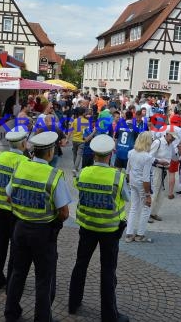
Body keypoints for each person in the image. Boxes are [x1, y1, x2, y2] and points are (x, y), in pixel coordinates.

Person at [4, 131, 71, 322]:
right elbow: (64, 213)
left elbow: (9, 197)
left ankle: (11, 312)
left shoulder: (20, 168)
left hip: (20, 227)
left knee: (18, 272)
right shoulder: (54, 175)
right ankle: (42, 318)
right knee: (43, 278)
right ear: (50, 152)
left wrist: (23, 210)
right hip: (43, 233)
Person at [68, 134, 130, 322]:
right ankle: (109, 315)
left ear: (94, 154)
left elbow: (79, 186)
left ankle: (73, 303)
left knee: (81, 264)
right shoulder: (117, 177)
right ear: (111, 154)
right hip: (110, 231)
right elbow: (126, 197)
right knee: (108, 270)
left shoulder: (84, 172)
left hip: (87, 227)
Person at [0, 131, 29, 291]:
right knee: (16, 247)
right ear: (23, 144)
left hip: (0, 208)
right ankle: (12, 282)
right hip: (16, 212)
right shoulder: (25, 162)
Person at [125, 131, 165, 243]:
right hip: (143, 186)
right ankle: (140, 235)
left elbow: (128, 170)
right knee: (146, 208)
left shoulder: (131, 152)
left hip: (133, 183)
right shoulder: (147, 157)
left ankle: (129, 234)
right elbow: (146, 178)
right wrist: (148, 195)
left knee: (133, 208)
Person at [149, 131, 177, 222]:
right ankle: (147, 214)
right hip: (157, 169)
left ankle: (154, 213)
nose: (173, 139)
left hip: (165, 170)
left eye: (174, 138)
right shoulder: (158, 142)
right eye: (172, 137)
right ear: (167, 134)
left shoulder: (171, 145)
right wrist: (159, 161)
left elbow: (174, 158)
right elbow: (149, 157)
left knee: (161, 194)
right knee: (154, 192)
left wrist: (180, 152)